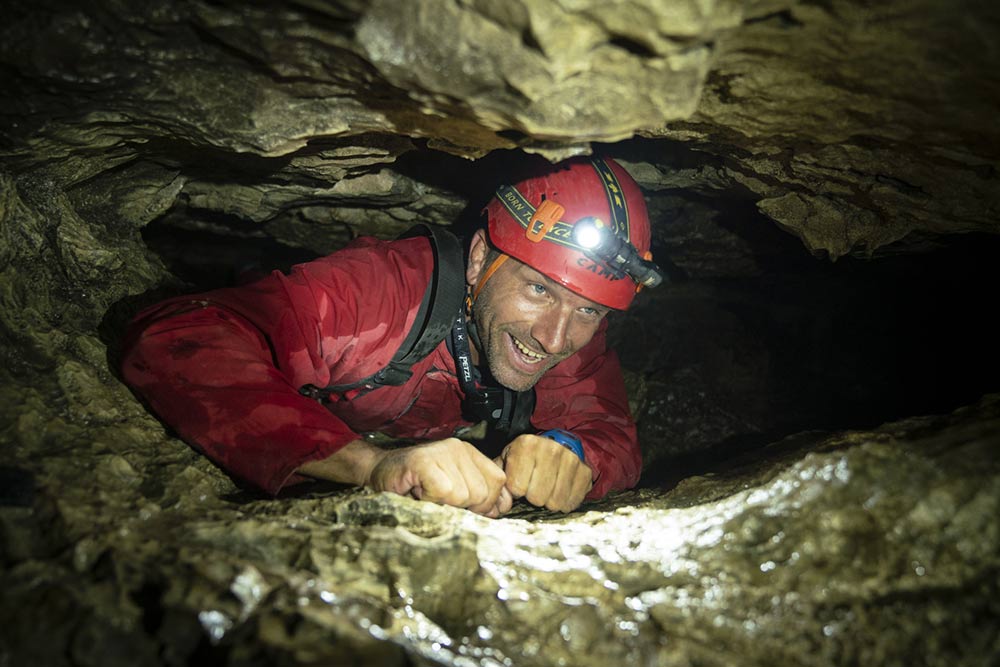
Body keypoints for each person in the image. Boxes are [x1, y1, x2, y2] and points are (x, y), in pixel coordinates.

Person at [121, 156, 663, 517]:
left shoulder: (571, 332)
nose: (554, 337)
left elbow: (609, 430)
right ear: (479, 260)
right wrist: (369, 466)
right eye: (539, 290)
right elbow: (176, 340)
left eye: (589, 310)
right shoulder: (383, 292)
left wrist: (573, 454)